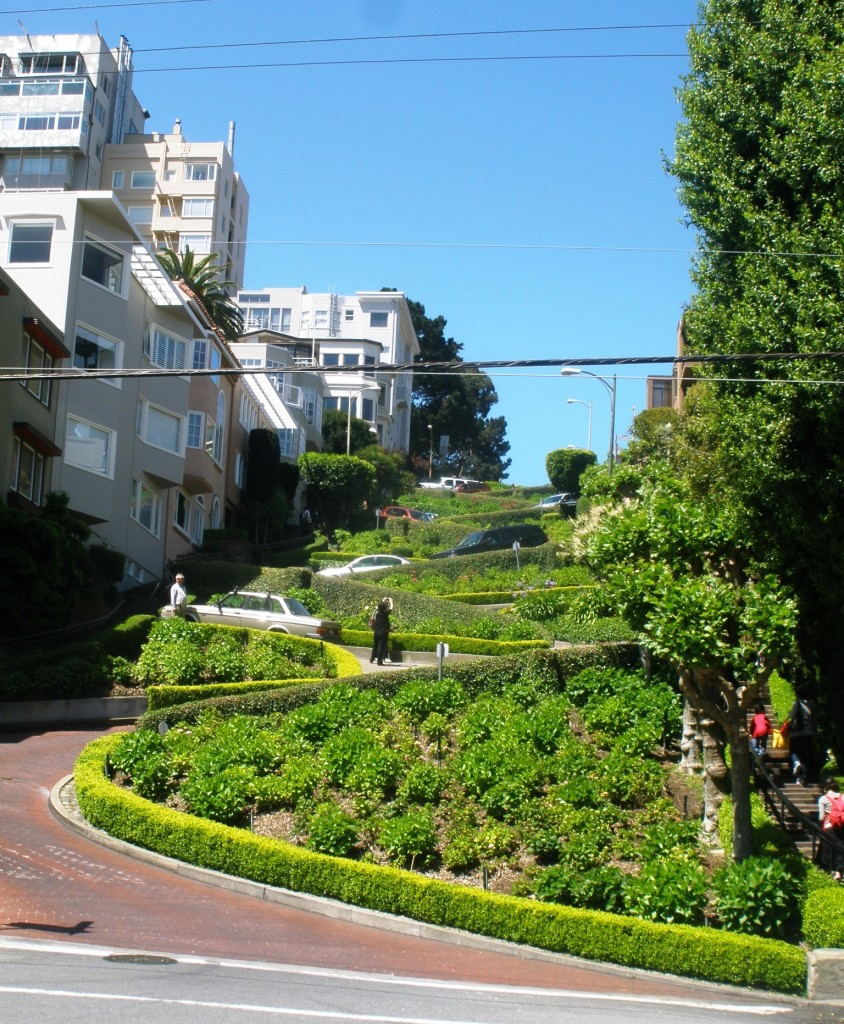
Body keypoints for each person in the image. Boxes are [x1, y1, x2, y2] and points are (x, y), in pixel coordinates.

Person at [783, 696, 817, 785]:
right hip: (808, 734)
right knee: (805, 756)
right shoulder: (811, 705)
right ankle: (804, 778)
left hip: (796, 734)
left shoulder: (797, 703)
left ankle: (797, 764)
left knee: (793, 752)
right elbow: (814, 721)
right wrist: (814, 735)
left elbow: (791, 717)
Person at [818, 777, 844, 881]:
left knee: (828, 850)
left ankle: (829, 872)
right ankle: (839, 872)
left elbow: (821, 817)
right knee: (840, 848)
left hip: (829, 827)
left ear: (825, 787)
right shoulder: (843, 796)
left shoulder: (823, 799)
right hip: (842, 825)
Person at [369, 597, 393, 667]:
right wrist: (390, 600)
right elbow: (391, 607)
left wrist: (383, 599)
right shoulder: (386, 613)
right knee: (380, 646)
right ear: (385, 607)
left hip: (376, 631)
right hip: (383, 632)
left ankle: (372, 659)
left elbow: (380, 606)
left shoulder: (376, 612)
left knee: (375, 645)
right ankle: (379, 662)